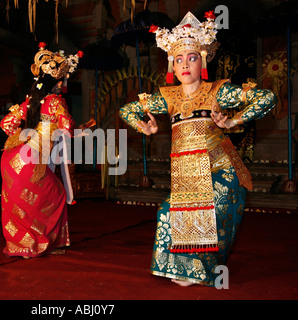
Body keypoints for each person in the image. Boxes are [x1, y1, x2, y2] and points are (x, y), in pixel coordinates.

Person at [119, 11, 277, 287]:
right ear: (171, 63)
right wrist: (144, 127)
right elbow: (127, 109)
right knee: (168, 211)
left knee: (207, 209)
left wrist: (234, 119)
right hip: (189, 177)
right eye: (178, 59)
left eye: (191, 58)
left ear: (202, 60)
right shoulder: (169, 97)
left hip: (222, 171)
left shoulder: (217, 91)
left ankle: (199, 268)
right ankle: (181, 266)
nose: (184, 65)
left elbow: (267, 97)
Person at [0, 43, 83, 258]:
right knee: (57, 195)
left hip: (12, 158)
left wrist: (24, 134)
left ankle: (23, 245)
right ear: (58, 81)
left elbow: (6, 124)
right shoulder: (56, 101)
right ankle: (45, 243)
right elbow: (67, 128)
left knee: (23, 201)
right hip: (32, 160)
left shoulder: (30, 102)